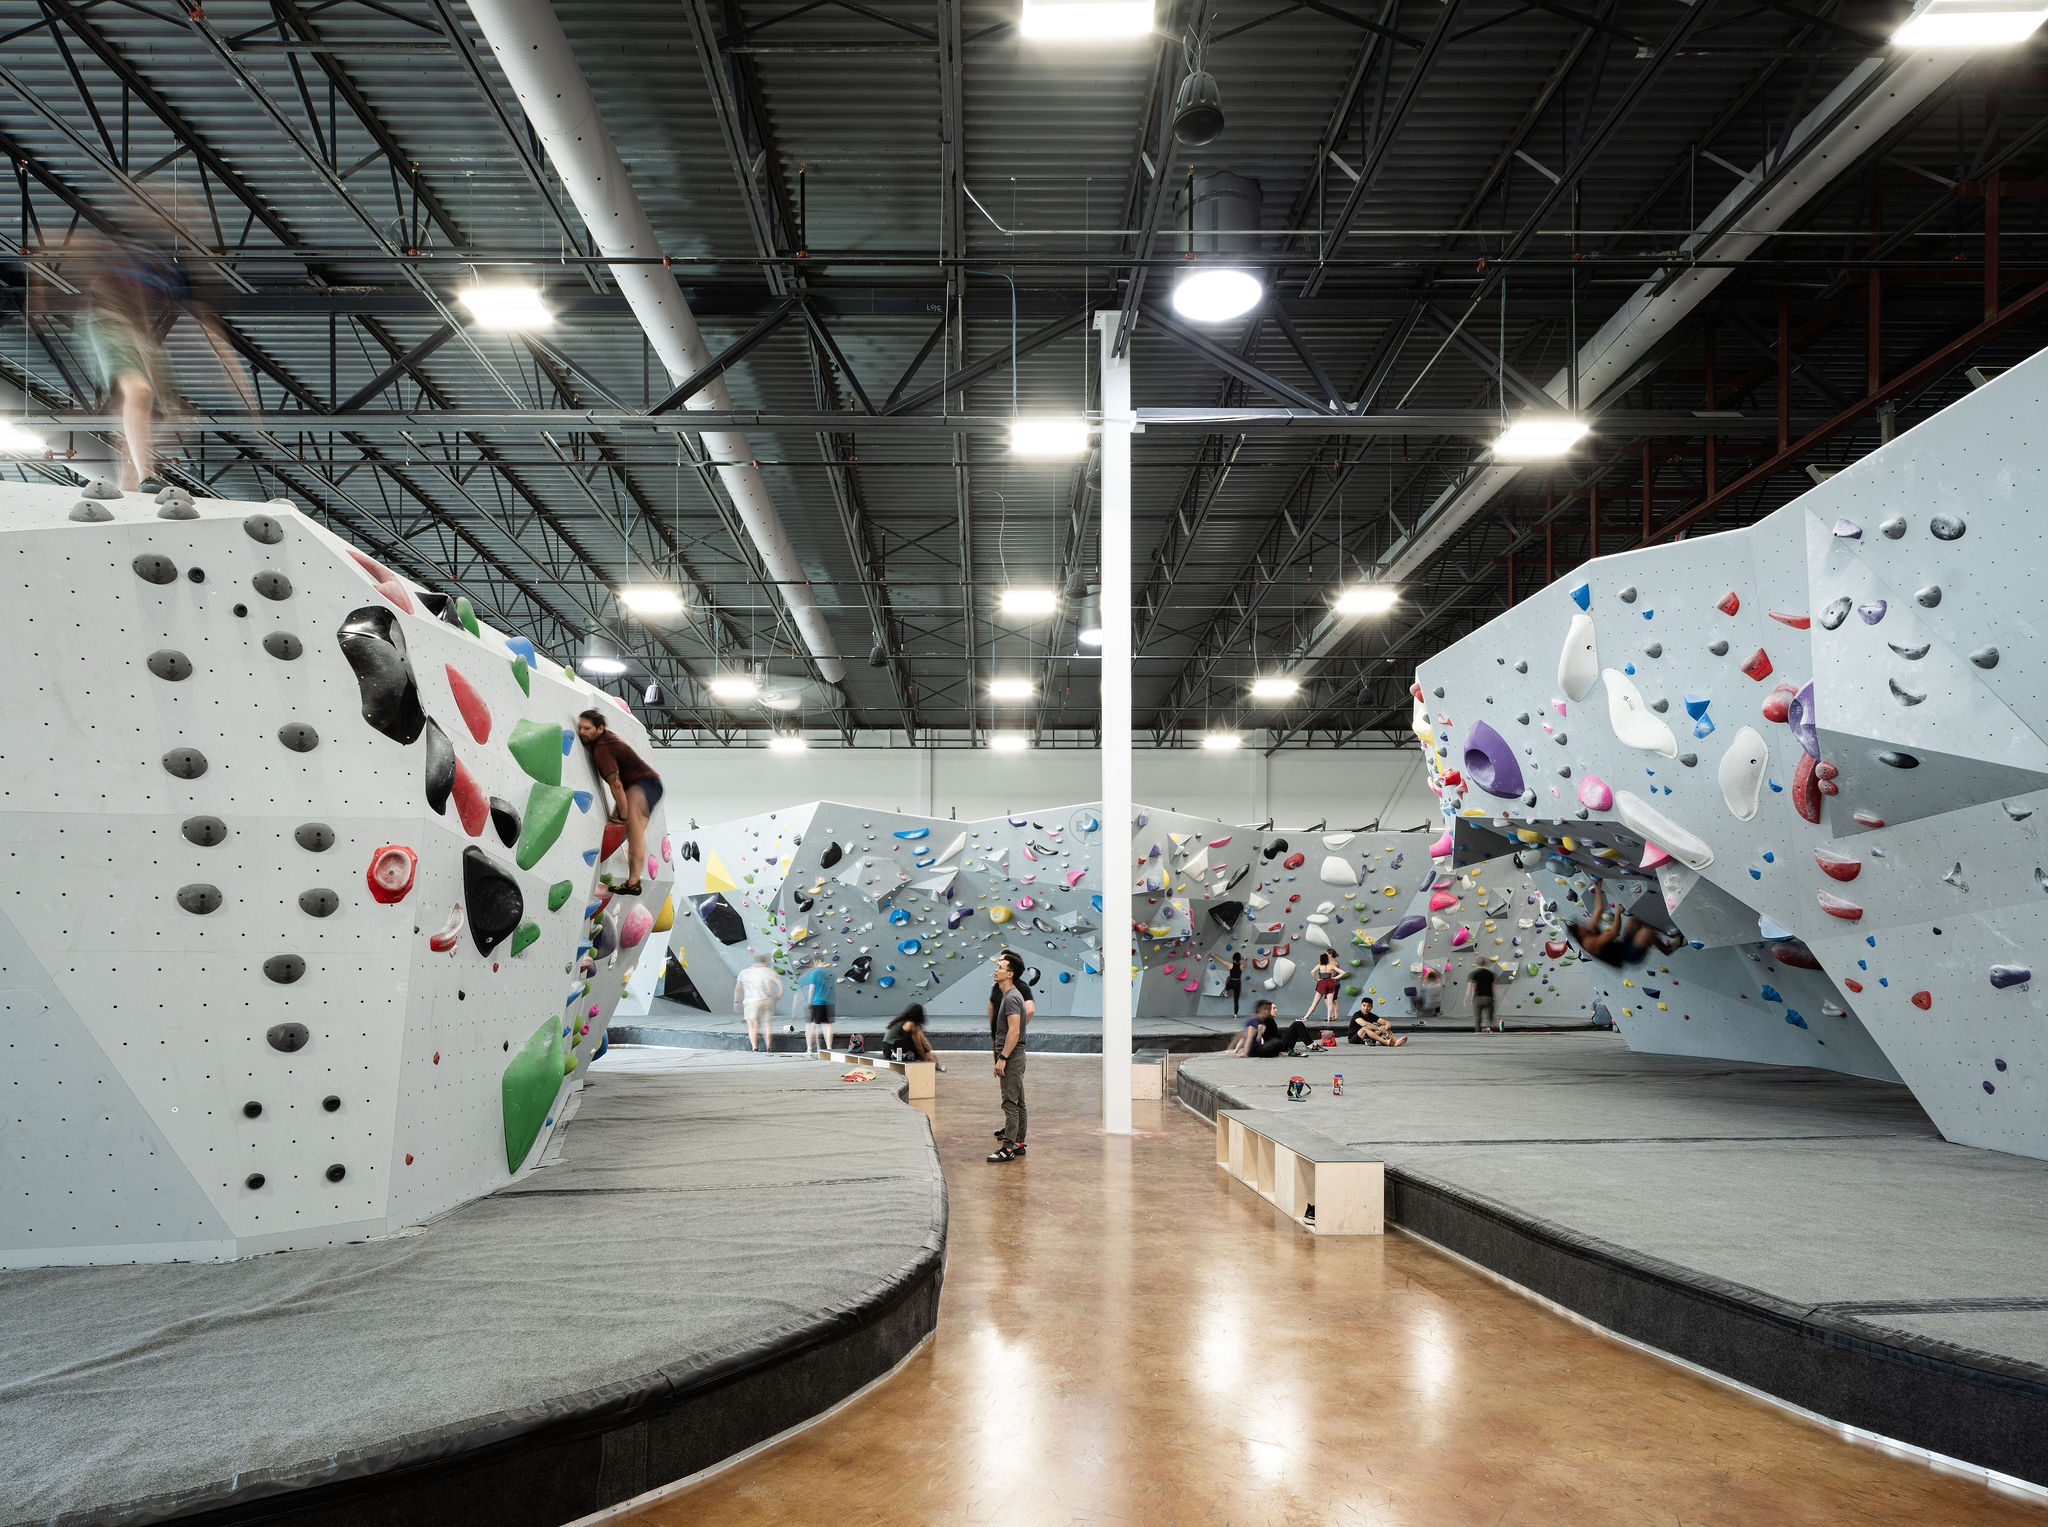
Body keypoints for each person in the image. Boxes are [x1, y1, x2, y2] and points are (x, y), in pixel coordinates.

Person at [41, 230, 255, 491]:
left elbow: (215, 337)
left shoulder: (180, 277)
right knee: (139, 391)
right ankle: (146, 475)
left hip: (142, 340)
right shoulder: (133, 252)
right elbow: (61, 239)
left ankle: (129, 483)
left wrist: (246, 396)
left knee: (179, 414)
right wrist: (37, 291)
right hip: (106, 321)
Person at [575, 709, 664, 896]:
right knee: (635, 834)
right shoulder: (606, 738)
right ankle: (633, 881)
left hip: (642, 785)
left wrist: (623, 814)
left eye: (587, 728)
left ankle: (633, 882)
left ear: (600, 729)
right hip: (647, 784)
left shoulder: (602, 750)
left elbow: (616, 785)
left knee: (634, 831)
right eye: (580, 727)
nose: (582, 732)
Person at [988, 952, 1028, 1162]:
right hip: (1014, 1055)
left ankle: (1008, 1148)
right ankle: (1019, 1142)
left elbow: (1013, 1031)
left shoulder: (1012, 997)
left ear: (1010, 974)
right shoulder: (1010, 995)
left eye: (1001, 967)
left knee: (1010, 1103)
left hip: (1012, 1056)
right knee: (1018, 1102)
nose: (996, 969)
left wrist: (1002, 1058)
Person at [733, 954, 783, 1052]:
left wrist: (736, 1001)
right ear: (765, 962)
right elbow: (780, 985)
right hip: (767, 1000)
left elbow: (738, 989)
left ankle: (754, 1047)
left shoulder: (744, 972)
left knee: (752, 1025)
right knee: (767, 1024)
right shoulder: (769, 971)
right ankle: (769, 1047)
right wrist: (778, 996)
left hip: (751, 1002)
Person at [1248, 1000, 1325, 1059]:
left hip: (1280, 1043)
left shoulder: (1270, 1019)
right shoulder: (1265, 1020)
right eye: (1274, 1008)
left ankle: (1312, 1044)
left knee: (1297, 1024)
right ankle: (1310, 1046)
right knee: (1297, 1024)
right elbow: (1258, 1034)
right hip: (1278, 1046)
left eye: (1276, 1008)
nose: (1276, 1010)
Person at [795, 951, 837, 1055]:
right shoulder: (830, 972)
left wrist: (809, 1002)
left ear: (816, 961)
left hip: (817, 1002)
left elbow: (812, 989)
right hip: (830, 1002)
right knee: (827, 1026)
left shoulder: (815, 972)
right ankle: (829, 1049)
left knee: (811, 1026)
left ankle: (809, 1049)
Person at [885, 1002, 943, 1069]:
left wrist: (930, 1051)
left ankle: (932, 1062)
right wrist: (925, 1058)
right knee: (914, 1045)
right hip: (890, 1048)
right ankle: (898, 1055)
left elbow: (923, 1040)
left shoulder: (913, 1023)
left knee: (922, 1049)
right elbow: (918, 1044)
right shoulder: (910, 1024)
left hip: (888, 1047)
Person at [1303, 948, 1342, 1026]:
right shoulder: (1331, 963)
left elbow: (1313, 972)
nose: (1326, 954)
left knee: (1330, 1001)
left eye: (1327, 953)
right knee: (1331, 1001)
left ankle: (1332, 1017)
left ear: (1330, 955)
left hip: (1330, 983)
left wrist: (1318, 979)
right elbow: (1339, 972)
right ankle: (1332, 1017)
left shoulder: (1331, 963)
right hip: (1331, 983)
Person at [1467, 962, 1499, 1032]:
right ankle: (1488, 1029)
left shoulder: (1474, 974)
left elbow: (1471, 987)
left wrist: (1468, 998)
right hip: (1488, 998)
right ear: (1486, 964)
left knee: (1478, 1017)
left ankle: (1478, 1031)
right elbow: (1494, 987)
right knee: (1489, 1016)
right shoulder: (1491, 974)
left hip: (1477, 998)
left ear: (1478, 964)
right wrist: (1500, 997)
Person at [1223, 951, 1244, 1016]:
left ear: (1233, 958)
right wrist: (1245, 960)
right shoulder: (1241, 966)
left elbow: (1221, 961)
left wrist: (1214, 956)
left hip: (1231, 982)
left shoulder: (1230, 964)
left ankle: (1226, 991)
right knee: (1236, 1001)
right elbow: (1244, 964)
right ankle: (1235, 1014)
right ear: (1239, 959)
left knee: (1228, 982)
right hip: (1238, 983)